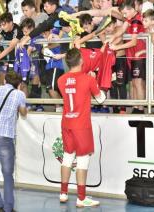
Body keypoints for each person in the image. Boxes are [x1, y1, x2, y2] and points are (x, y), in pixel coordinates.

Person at [57, 48, 106, 207]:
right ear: (81, 61)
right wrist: (95, 80)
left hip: (66, 123)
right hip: (81, 125)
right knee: (82, 160)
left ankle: (63, 193)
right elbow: (100, 99)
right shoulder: (88, 79)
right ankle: (81, 197)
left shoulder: (61, 79)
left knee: (67, 157)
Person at [0, 71, 27, 212]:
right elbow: (23, 112)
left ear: (4, 81)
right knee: (8, 175)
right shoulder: (19, 94)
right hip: (5, 138)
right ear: (19, 84)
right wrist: (19, 93)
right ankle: (8, 208)